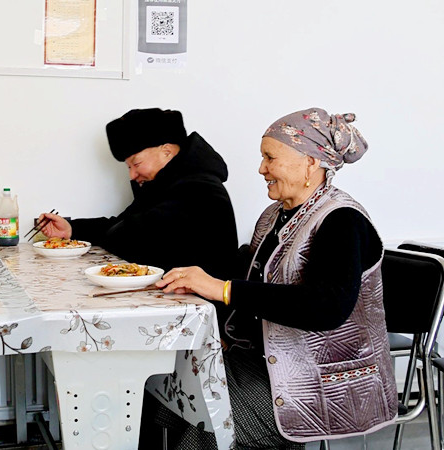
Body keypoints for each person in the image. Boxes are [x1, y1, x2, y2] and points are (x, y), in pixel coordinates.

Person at [156, 108, 397, 449]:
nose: (261, 168)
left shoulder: (342, 220)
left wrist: (223, 289)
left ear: (310, 162)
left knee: (208, 420)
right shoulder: (274, 216)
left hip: (320, 382)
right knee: (164, 388)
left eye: (270, 157)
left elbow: (327, 307)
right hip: (267, 361)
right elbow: (250, 281)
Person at [37, 108, 238, 279]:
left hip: (198, 304)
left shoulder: (199, 188)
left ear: (167, 151)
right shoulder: (166, 183)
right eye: (128, 167)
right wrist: (71, 229)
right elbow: (123, 224)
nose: (132, 175)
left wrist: (110, 233)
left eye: (136, 163)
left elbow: (130, 237)